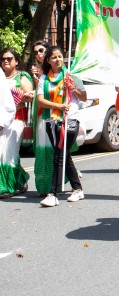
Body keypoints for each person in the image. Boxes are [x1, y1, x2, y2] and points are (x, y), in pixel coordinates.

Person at [35, 46, 87, 207]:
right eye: (54, 57)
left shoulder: (71, 76)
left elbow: (84, 96)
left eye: (60, 56)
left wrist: (72, 88)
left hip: (70, 119)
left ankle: (53, 193)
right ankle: (78, 189)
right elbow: (40, 100)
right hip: (52, 120)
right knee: (63, 154)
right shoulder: (44, 79)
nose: (57, 60)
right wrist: (57, 106)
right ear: (48, 61)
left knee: (59, 154)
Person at [0, 50, 33, 198]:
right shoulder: (1, 77)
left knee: (10, 152)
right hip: (1, 120)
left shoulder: (22, 77)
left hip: (17, 119)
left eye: (9, 58)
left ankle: (13, 185)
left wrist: (19, 99)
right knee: (1, 153)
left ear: (17, 61)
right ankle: (13, 182)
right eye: (3, 59)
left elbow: (30, 96)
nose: (6, 61)